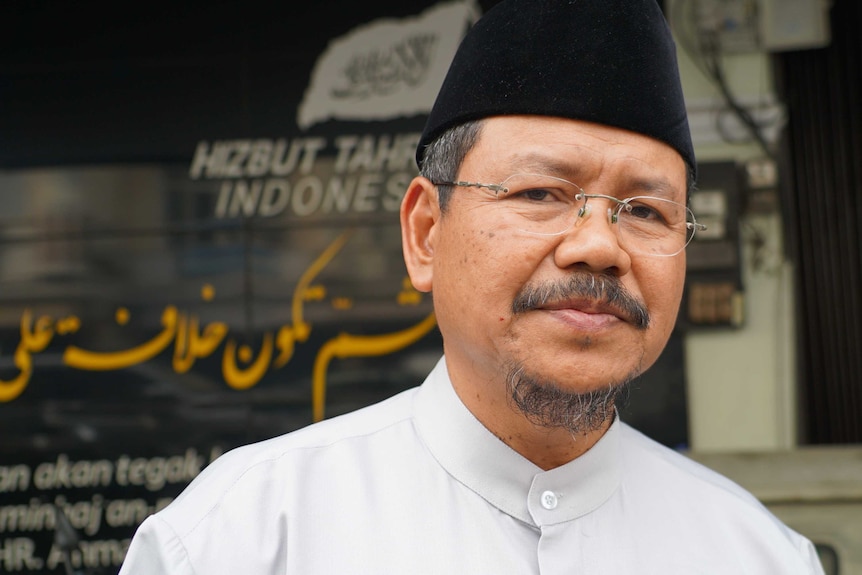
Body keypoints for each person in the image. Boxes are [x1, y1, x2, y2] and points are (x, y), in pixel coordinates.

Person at [119, 0, 825, 573]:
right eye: (543, 192)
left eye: (644, 210)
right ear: (426, 232)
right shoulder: (241, 540)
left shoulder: (757, 554)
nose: (599, 246)